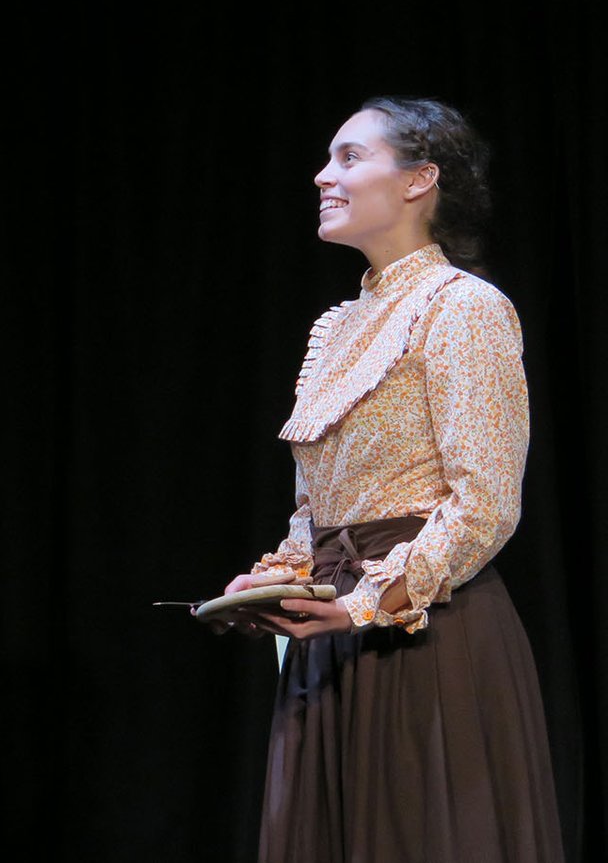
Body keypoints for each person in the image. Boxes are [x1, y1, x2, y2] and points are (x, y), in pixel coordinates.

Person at [211, 97, 564, 861]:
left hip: (427, 633)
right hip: (332, 639)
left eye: (349, 157)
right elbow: (316, 502)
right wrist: (282, 579)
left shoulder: (462, 307)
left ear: (418, 180)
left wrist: (366, 602)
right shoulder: (337, 326)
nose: (322, 176)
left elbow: (485, 503)